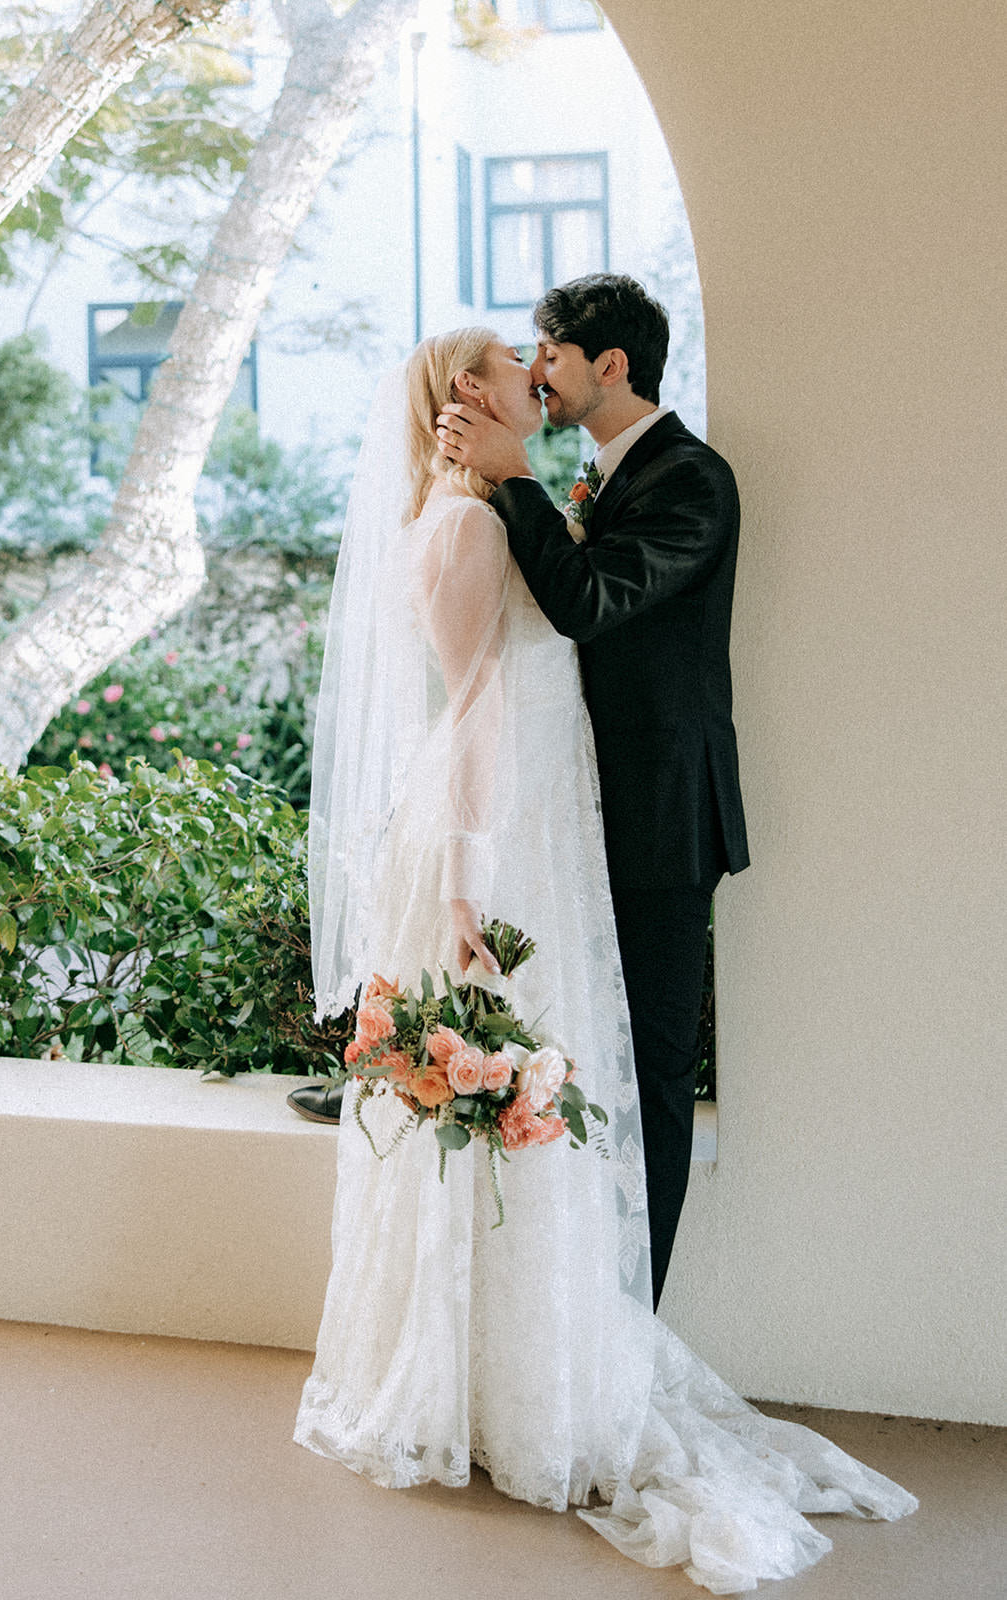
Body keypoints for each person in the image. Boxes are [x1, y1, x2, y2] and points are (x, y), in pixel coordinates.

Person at [293, 328, 916, 1592]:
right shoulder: (469, 527)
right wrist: (470, 885)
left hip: (540, 833)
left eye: (547, 351)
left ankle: (537, 1358)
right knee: (510, 1100)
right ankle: (491, 1382)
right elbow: (470, 703)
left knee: (540, 1104)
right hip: (496, 845)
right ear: (468, 397)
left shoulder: (550, 500)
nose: (535, 370)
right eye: (509, 358)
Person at [436, 273, 746, 1310]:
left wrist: (513, 475)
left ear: (610, 365)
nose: (534, 373)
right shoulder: (599, 479)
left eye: (550, 355)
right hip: (574, 819)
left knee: (651, 1078)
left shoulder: (691, 481)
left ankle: (632, 1326)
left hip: (659, 817)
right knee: (576, 1062)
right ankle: (577, 1318)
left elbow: (588, 604)